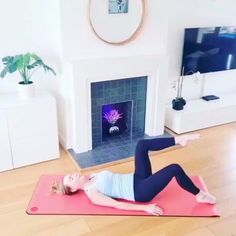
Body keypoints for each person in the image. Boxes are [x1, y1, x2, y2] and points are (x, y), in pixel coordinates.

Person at [51, 134, 216, 216]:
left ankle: (179, 139)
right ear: (73, 189)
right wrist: (145, 208)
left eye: (71, 174)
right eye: (71, 179)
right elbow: (118, 205)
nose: (73, 175)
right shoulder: (92, 194)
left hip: (137, 178)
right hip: (140, 192)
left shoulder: (92, 175)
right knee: (174, 168)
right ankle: (200, 195)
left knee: (141, 145)